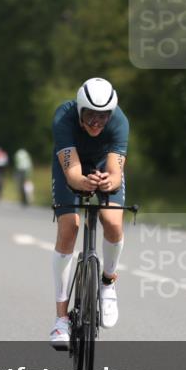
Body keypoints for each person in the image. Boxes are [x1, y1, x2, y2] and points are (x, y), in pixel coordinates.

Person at [49, 77, 128, 349]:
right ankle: (61, 320)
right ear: (80, 110)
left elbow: (116, 172)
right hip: (71, 165)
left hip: (103, 165)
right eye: (90, 116)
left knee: (112, 222)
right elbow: (72, 174)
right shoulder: (64, 117)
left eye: (102, 117)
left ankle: (107, 283)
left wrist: (109, 182)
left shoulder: (120, 121)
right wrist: (82, 182)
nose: (96, 123)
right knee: (69, 226)